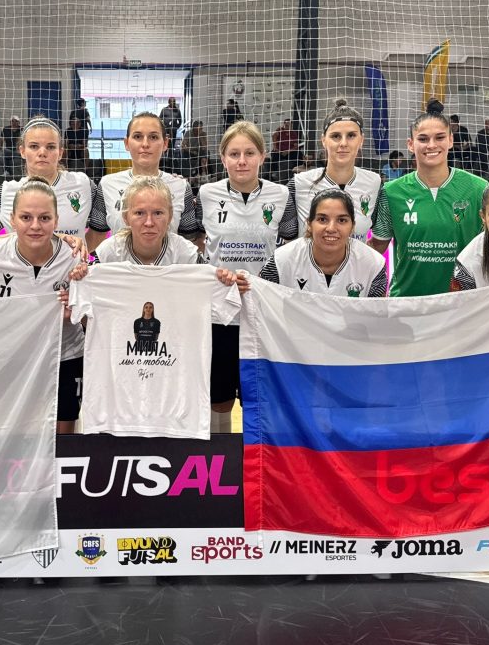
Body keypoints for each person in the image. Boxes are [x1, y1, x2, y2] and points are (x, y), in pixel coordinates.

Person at [0, 177, 87, 434]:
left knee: (62, 439)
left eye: (45, 218)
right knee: (5, 434)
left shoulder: (77, 260)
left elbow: (94, 315)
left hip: (63, 357)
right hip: (7, 357)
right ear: (12, 220)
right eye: (26, 218)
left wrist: (77, 312)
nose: (35, 226)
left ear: (57, 221)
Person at [196, 121, 296, 430]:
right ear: (223, 158)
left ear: (263, 156)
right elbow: (193, 243)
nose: (242, 161)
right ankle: (222, 453)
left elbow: (292, 246)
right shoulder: (206, 194)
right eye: (234, 154)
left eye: (249, 153)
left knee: (260, 396)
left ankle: (259, 455)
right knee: (220, 396)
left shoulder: (281, 194)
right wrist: (212, 273)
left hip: (263, 310)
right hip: (220, 311)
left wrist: (269, 282)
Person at [369, 110, 488, 297]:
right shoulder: (391, 192)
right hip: (407, 301)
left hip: (464, 302)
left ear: (451, 140)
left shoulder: (479, 188)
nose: (431, 145)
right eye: (423, 139)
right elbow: (376, 248)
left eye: (439, 137)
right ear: (410, 144)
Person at [0, 117, 110, 253]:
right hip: (20, 266)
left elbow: (100, 227)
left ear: (60, 152)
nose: (42, 153)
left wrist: (75, 255)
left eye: (50, 147)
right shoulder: (5, 192)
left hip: (73, 266)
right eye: (34, 146)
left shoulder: (83, 184)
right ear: (22, 151)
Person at [99, 111, 203, 246]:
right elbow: (96, 236)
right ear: (126, 143)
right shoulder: (107, 185)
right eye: (137, 136)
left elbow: (190, 242)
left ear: (165, 143)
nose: (145, 144)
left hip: (167, 260)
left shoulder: (181, 187)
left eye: (153, 137)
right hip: (120, 260)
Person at [259, 189, 388, 297]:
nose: (331, 228)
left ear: (352, 226)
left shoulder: (373, 265)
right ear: (309, 224)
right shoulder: (281, 261)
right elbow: (260, 303)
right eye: (322, 219)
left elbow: (378, 313)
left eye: (342, 220)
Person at [288, 102, 382, 239]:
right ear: (324, 140)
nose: (343, 143)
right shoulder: (299, 184)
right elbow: (285, 239)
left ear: (361, 140)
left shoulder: (374, 183)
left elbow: (379, 235)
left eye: (351, 135)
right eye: (336, 136)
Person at [94, 176, 203, 266]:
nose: (149, 223)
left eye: (158, 213)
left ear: (170, 216)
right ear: (126, 217)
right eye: (139, 213)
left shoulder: (187, 255)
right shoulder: (108, 254)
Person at [271, 118, 301, 182]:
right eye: (286, 125)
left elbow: (296, 146)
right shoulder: (279, 130)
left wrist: (288, 151)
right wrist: (275, 147)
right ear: (284, 124)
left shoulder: (293, 133)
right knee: (274, 154)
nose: (287, 126)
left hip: (289, 152)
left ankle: (297, 171)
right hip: (280, 152)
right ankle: (274, 173)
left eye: (289, 125)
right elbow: (273, 135)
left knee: (299, 154)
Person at [66, 98, 91, 172]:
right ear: (82, 103)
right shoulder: (85, 111)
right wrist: (91, 127)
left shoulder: (73, 112)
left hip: (78, 132)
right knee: (84, 146)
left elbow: (70, 121)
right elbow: (88, 119)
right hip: (83, 131)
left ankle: (84, 168)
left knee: (84, 147)